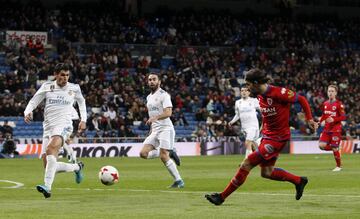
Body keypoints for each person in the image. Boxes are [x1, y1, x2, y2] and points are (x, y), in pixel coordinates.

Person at [205, 68, 318, 205]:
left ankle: (221, 197)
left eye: (249, 84)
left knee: (247, 163)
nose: (247, 87)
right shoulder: (259, 95)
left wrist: (309, 119)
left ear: (257, 83)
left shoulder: (279, 93)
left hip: (278, 139)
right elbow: (267, 116)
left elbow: (301, 99)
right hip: (267, 136)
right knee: (267, 173)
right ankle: (299, 181)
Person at [24, 63, 87, 198]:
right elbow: (34, 101)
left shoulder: (74, 88)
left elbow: (82, 102)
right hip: (48, 127)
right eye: (62, 75)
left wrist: (83, 120)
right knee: (48, 165)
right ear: (56, 74)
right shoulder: (47, 86)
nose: (65, 78)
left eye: (67, 75)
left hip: (64, 125)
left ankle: (47, 187)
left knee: (51, 148)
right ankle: (77, 167)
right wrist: (27, 111)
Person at [139, 73, 184, 188]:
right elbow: (151, 115)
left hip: (165, 129)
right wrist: (151, 129)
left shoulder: (164, 95)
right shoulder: (148, 97)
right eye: (149, 80)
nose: (151, 81)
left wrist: (156, 118)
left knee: (163, 156)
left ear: (159, 82)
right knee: (143, 154)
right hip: (155, 130)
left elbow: (168, 113)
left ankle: (179, 181)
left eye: (154, 79)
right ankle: (171, 152)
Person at [318, 84, 346, 171]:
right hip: (327, 128)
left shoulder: (339, 104)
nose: (330, 93)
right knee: (321, 146)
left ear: (336, 93)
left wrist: (333, 119)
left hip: (336, 129)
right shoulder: (325, 103)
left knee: (334, 148)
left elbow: (343, 117)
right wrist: (319, 122)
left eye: (332, 91)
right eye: (329, 91)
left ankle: (338, 166)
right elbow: (324, 115)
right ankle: (337, 149)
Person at [229, 86, 260, 158]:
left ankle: (247, 161)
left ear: (249, 92)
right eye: (242, 91)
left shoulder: (254, 100)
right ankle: (261, 157)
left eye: (245, 91)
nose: (244, 92)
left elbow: (261, 109)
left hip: (253, 126)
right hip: (244, 127)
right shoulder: (238, 102)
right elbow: (237, 114)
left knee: (248, 142)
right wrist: (232, 121)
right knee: (253, 144)